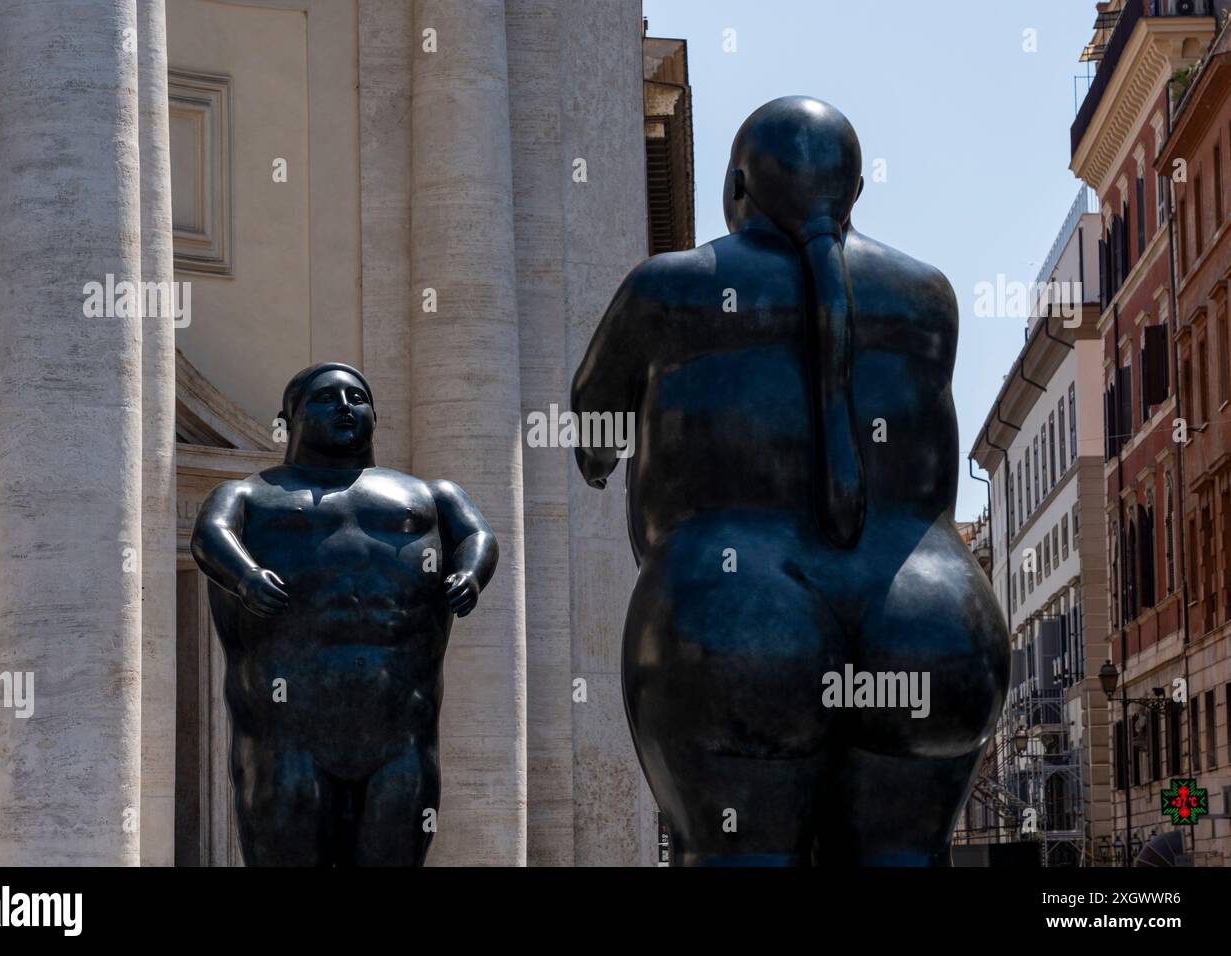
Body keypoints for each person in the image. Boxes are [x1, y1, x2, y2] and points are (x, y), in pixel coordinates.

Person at [571, 96, 1008, 866]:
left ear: (739, 185)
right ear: (857, 191)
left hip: (731, 611)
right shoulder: (928, 296)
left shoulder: (667, 286)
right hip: (931, 614)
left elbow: (590, 438)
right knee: (901, 857)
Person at [191, 362, 497, 865]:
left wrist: (470, 574)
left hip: (401, 738)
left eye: (356, 397)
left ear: (375, 414)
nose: (344, 406)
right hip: (285, 738)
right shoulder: (249, 496)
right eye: (326, 398)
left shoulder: (429, 496)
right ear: (288, 418)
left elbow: (478, 537)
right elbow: (209, 536)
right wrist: (244, 577)